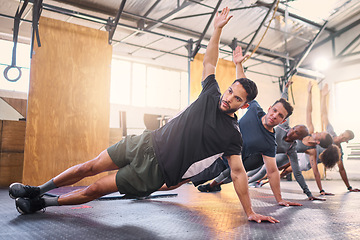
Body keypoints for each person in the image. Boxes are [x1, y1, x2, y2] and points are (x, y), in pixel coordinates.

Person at [8, 7, 278, 223]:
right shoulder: (211, 93)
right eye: (230, 91)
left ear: (244, 106)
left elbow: (239, 173)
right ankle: (37, 190)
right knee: (87, 167)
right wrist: (217, 30)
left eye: (236, 98)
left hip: (155, 170)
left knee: (95, 190)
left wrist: (249, 212)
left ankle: (43, 203)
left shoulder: (232, 136)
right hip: (144, 142)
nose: (228, 97)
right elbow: (210, 61)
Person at [197, 46, 302, 208]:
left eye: (280, 116)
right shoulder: (254, 108)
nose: (275, 115)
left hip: (229, 164)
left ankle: (211, 184)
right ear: (269, 109)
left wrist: (279, 199)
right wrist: (238, 64)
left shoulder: (269, 143)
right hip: (213, 153)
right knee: (178, 176)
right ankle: (146, 187)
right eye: (274, 111)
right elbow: (244, 86)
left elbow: (273, 171)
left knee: (183, 179)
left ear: (282, 122)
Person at [246, 81, 324, 200]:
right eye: (294, 129)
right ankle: (221, 182)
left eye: (296, 133)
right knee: (244, 169)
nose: (292, 131)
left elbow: (298, 173)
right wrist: (286, 89)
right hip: (260, 147)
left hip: (277, 154)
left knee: (261, 170)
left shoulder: (302, 148)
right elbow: (282, 104)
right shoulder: (284, 126)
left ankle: (246, 182)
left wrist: (310, 193)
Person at [278, 82, 340, 196]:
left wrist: (320, 190)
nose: (317, 131)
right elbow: (309, 112)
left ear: (318, 141)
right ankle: (259, 180)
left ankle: (259, 180)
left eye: (320, 134)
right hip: (289, 150)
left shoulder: (313, 149)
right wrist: (310, 93)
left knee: (283, 168)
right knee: (280, 166)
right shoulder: (309, 132)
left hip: (297, 157)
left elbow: (316, 172)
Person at [319, 84, 359, 192]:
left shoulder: (338, 151)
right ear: (341, 133)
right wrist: (323, 96)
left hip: (311, 161)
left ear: (346, 141)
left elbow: (341, 169)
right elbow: (324, 115)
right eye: (342, 135)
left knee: (287, 170)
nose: (341, 137)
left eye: (344, 138)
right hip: (305, 152)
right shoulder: (330, 131)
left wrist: (349, 187)